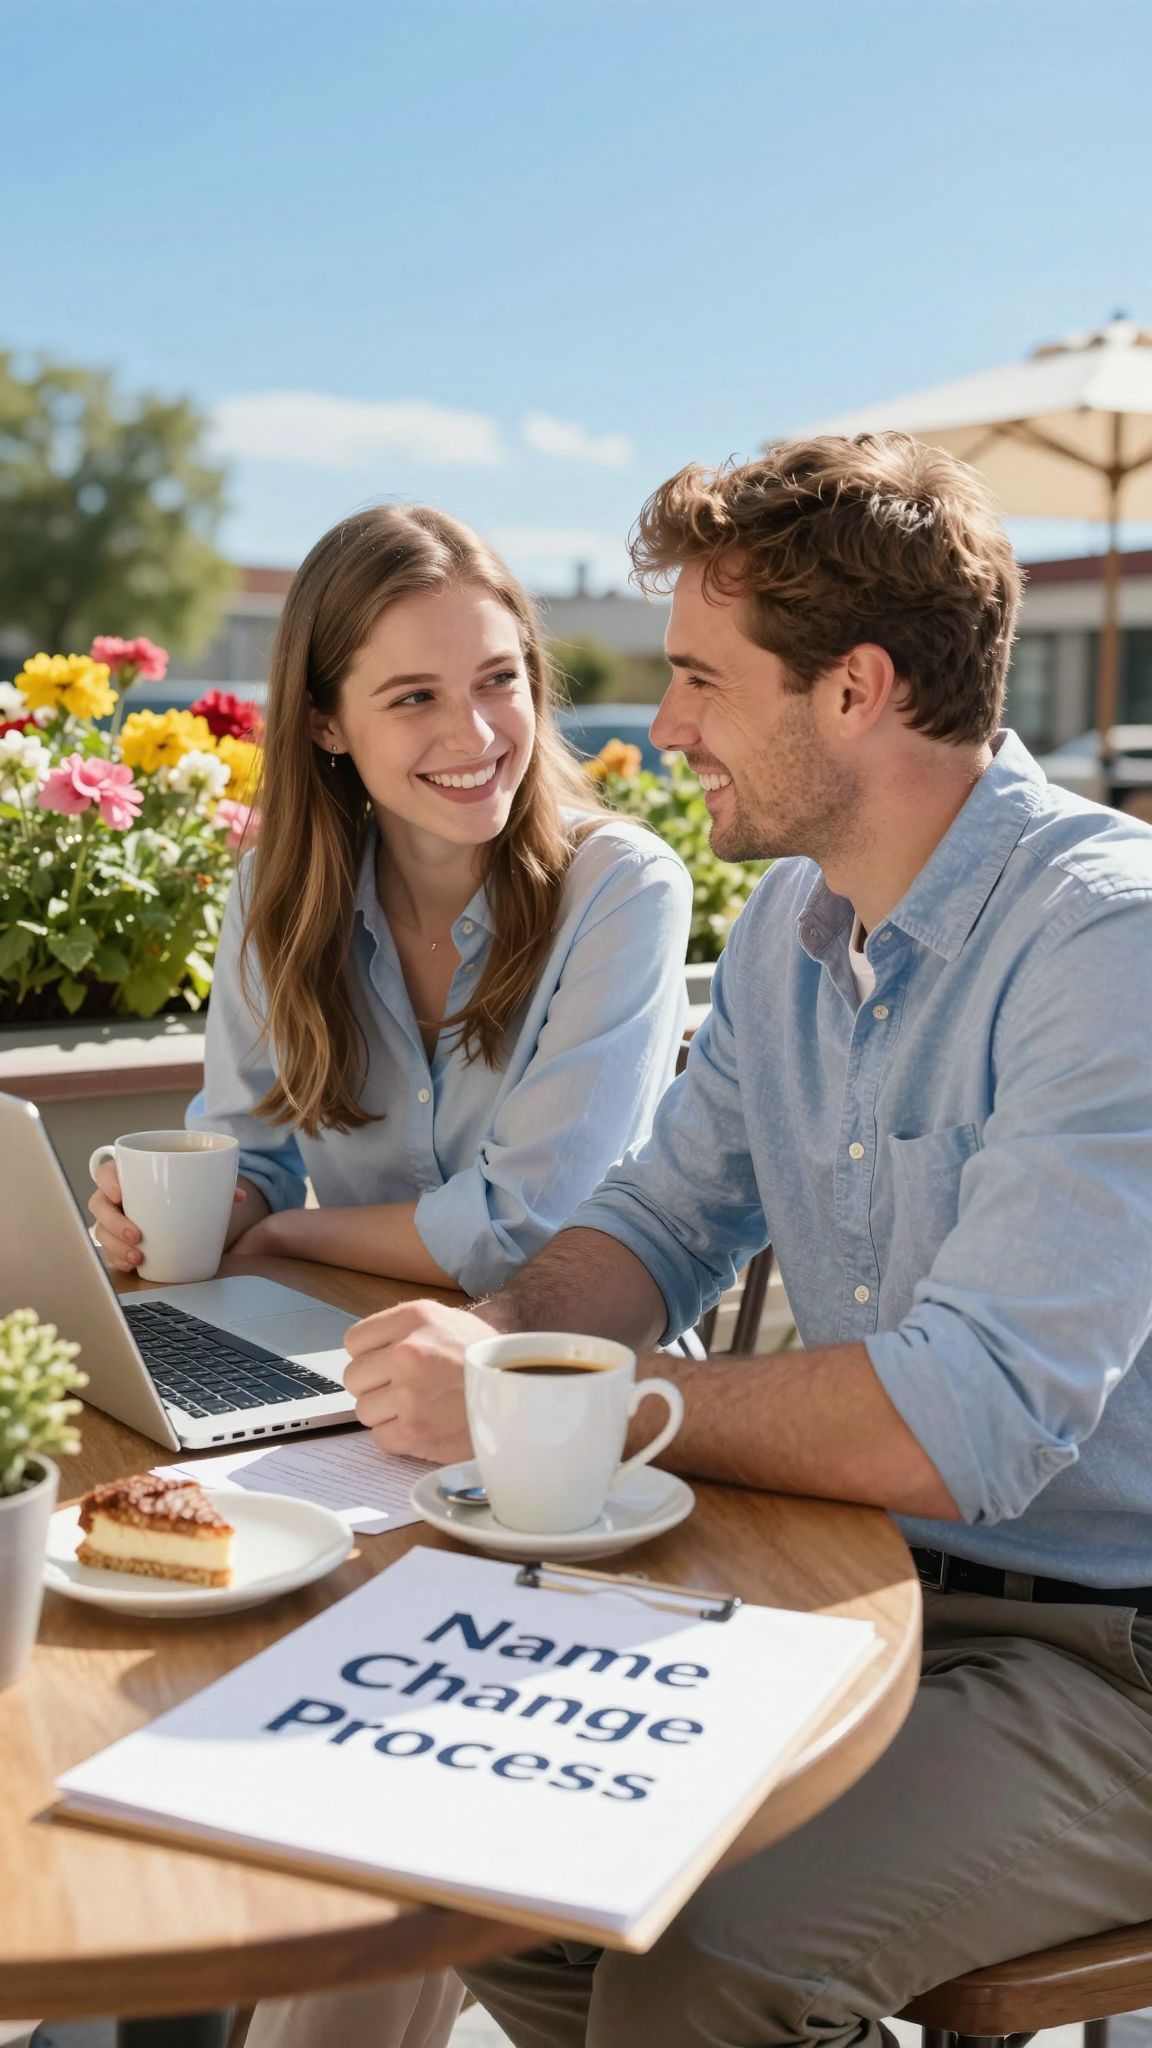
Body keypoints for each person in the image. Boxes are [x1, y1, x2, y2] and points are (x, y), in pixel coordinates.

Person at [338, 436, 1152, 2048]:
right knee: (491, 1862)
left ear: (854, 691)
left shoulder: (1106, 945)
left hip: (1112, 1655)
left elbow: (964, 1413)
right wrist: (509, 1344)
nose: (668, 730)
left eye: (702, 681)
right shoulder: (790, 925)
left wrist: (560, 1403)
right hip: (853, 1588)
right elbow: (657, 1219)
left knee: (712, 1966)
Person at [88, 503, 692, 2048]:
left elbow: (520, 1221)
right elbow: (248, 1159)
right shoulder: (280, 898)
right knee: (136, 1673)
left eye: (499, 679)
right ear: (328, 726)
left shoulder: (618, 888)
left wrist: (270, 1234)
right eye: (414, 697)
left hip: (545, 1425)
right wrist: (173, 1211)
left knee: (380, 1774)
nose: (475, 732)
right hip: (326, 1392)